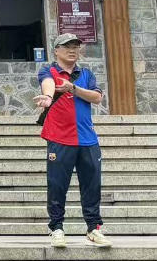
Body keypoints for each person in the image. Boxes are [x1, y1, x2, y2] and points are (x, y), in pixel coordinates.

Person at [34, 33, 110, 248]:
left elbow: (97, 97)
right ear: (56, 51)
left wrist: (73, 88)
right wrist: (48, 97)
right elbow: (48, 84)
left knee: (92, 185)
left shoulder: (86, 74)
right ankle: (57, 228)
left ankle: (94, 228)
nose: (72, 50)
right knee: (57, 185)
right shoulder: (48, 70)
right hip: (60, 138)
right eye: (67, 46)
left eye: (76, 46)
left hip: (88, 139)